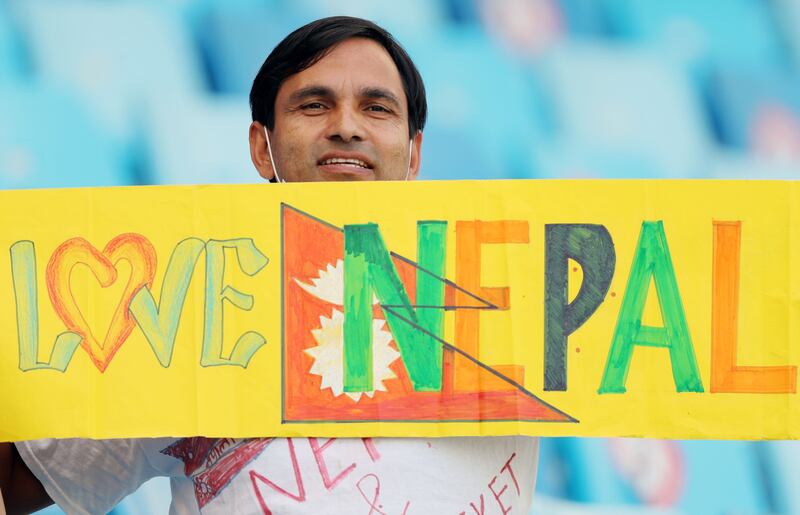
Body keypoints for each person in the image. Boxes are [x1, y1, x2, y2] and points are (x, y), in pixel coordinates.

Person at [1, 16, 538, 514]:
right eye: (313, 105)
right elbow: (21, 482)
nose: (347, 126)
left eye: (377, 108)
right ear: (262, 147)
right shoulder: (188, 305)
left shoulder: (518, 300)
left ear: (415, 153)